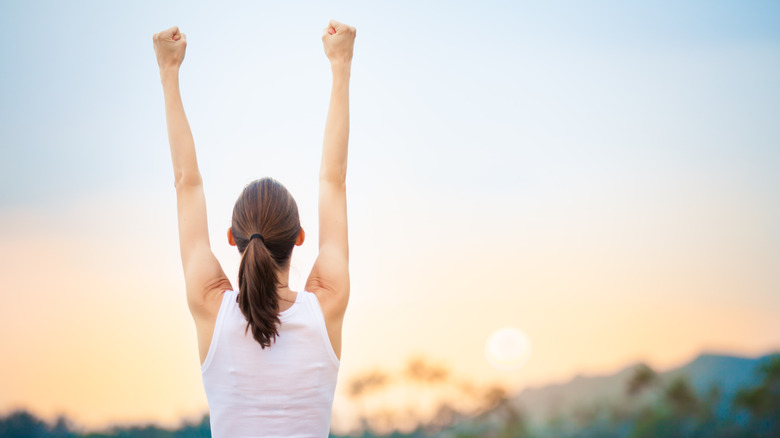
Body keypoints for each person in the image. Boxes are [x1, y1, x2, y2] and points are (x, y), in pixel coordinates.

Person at [152, 19, 356, 437]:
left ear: (233, 239)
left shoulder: (212, 308)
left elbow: (186, 184)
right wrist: (341, 64)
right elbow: (333, 180)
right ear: (300, 237)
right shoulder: (326, 304)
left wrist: (169, 73)